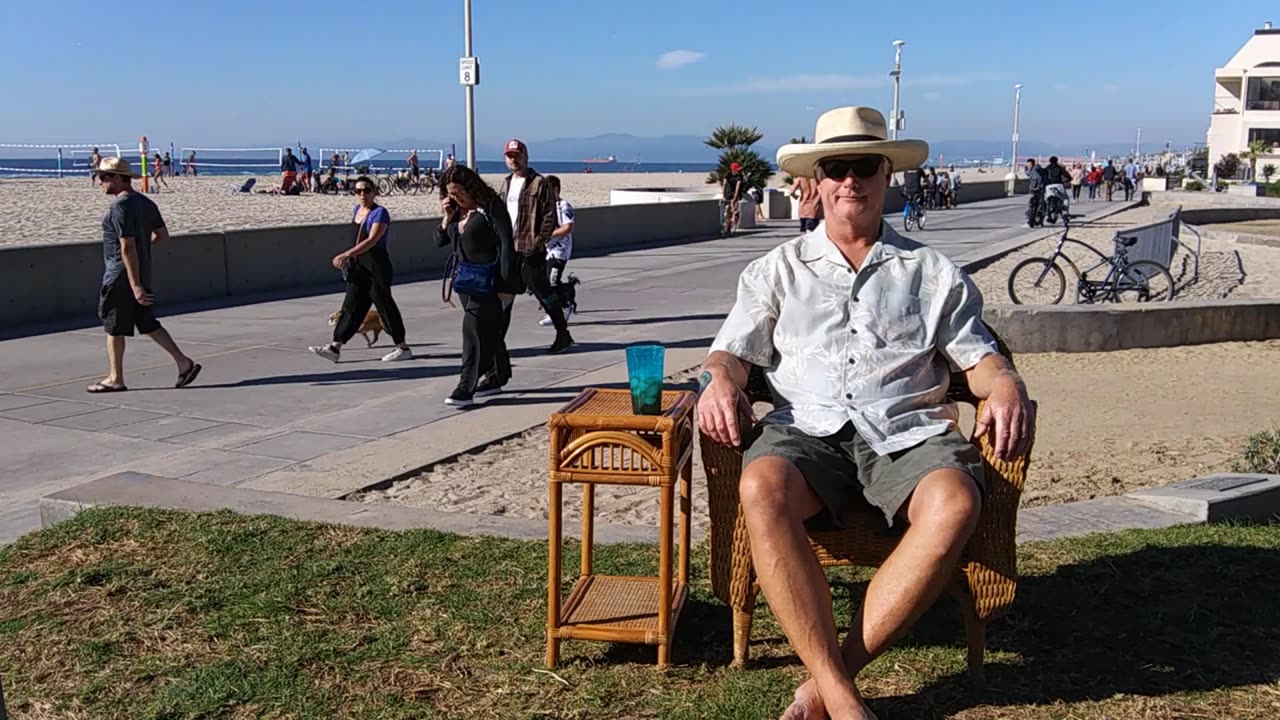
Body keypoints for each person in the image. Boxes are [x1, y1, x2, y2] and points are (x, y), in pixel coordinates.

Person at [697, 105, 1034, 720]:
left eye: (865, 167)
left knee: (956, 501)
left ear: (887, 176)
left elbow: (979, 358)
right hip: (807, 430)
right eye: (837, 167)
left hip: (906, 431)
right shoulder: (775, 271)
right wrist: (716, 381)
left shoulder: (931, 273)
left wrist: (1005, 382)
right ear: (816, 181)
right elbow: (730, 355)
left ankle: (829, 683)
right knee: (760, 485)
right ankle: (846, 701)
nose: (850, 180)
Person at [89, 157, 201, 393]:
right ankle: (183, 363)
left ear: (119, 178)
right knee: (147, 323)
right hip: (142, 272)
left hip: (121, 276)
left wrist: (135, 285)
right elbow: (162, 237)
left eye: (104, 177)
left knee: (114, 327)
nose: (100, 182)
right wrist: (143, 254)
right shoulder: (146, 204)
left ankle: (115, 378)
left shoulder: (119, 207)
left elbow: (126, 246)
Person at [436, 164, 519, 407]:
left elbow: (506, 246)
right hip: (464, 280)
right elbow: (439, 240)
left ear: (471, 187)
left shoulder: (491, 208)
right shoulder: (456, 212)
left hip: (489, 281)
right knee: (489, 332)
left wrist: (506, 284)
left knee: (471, 332)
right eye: (450, 193)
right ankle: (497, 375)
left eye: (459, 191)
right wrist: (446, 218)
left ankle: (465, 387)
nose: (455, 196)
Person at [308, 176, 413, 363]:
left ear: (374, 192)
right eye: (358, 191)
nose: (362, 194)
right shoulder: (357, 210)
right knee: (351, 306)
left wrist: (346, 254)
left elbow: (372, 240)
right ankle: (335, 347)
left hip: (376, 265)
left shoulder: (380, 213)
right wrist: (351, 259)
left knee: (384, 306)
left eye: (366, 190)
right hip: (359, 267)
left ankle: (402, 347)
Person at [494, 138, 574, 367]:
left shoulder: (539, 183)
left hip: (531, 249)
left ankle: (562, 331)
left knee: (542, 291)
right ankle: (498, 340)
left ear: (525, 157)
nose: (513, 160)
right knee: (505, 293)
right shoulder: (507, 183)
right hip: (510, 248)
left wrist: (540, 240)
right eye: (509, 156)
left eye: (517, 155)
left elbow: (550, 216)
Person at [540, 174, 579, 327]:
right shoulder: (545, 208)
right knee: (543, 284)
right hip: (546, 251)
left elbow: (568, 227)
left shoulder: (563, 206)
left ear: (555, 190)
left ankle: (565, 306)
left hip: (559, 251)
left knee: (552, 281)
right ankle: (554, 308)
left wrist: (548, 235)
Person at [1024, 157, 1048, 226]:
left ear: (1032, 164)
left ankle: (1033, 215)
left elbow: (1038, 178)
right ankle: (1039, 217)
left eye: (1029, 165)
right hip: (1039, 188)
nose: (1028, 166)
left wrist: (1038, 186)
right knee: (1039, 202)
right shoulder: (1035, 169)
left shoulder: (1034, 170)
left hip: (1037, 188)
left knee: (1035, 202)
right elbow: (1029, 174)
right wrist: (1026, 169)